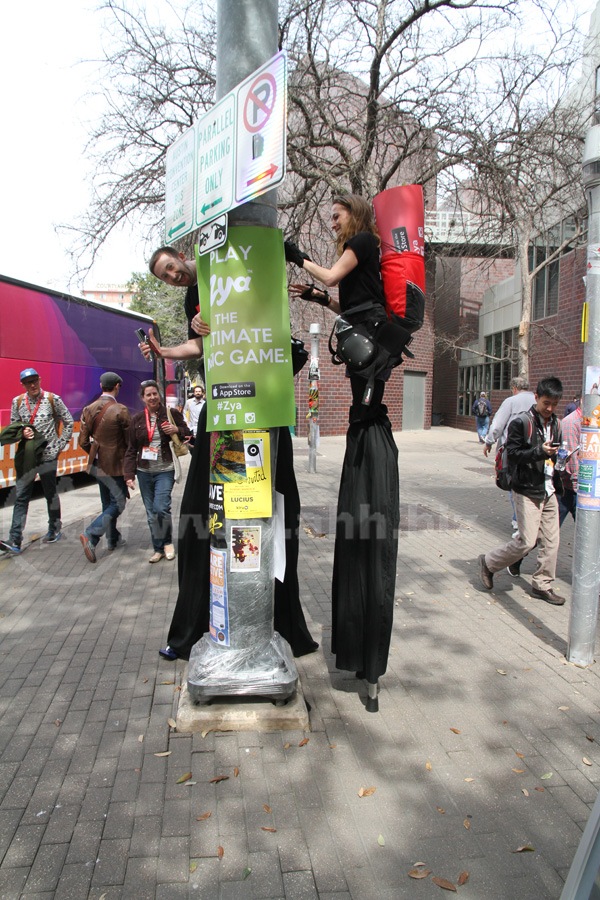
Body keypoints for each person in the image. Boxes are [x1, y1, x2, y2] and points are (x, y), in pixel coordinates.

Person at [146, 245, 318, 661]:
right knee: (201, 521)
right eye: (166, 278)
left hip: (263, 411)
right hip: (223, 413)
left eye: (172, 268)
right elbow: (200, 349)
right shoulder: (193, 298)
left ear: (183, 255)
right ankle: (197, 626)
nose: (174, 277)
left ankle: (280, 625)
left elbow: (267, 314)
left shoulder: (236, 267)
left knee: (272, 515)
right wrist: (166, 351)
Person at [285, 195, 399, 696]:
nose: (332, 221)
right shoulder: (360, 251)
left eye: (336, 214)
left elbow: (334, 278)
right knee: (363, 408)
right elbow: (342, 298)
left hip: (372, 339)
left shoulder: (364, 240)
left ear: (355, 215)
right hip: (364, 329)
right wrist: (313, 297)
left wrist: (296, 255)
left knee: (367, 408)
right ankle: (365, 422)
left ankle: (368, 425)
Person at [478, 377, 565, 605]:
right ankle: (488, 562)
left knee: (552, 542)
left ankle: (542, 584)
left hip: (548, 489)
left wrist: (561, 460)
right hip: (526, 489)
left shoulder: (556, 424)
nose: (550, 409)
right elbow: (514, 455)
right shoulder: (521, 422)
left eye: (554, 404)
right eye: (546, 403)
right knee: (527, 541)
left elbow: (555, 455)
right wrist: (539, 452)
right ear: (536, 397)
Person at [0, 368, 73, 554]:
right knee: (21, 496)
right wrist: (22, 432)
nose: (32, 385)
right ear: (22, 385)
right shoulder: (17, 402)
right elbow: (15, 427)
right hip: (28, 458)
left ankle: (54, 528)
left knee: (50, 493)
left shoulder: (52, 399)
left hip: (48, 457)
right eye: (27, 382)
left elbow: (69, 422)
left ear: (40, 380)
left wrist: (57, 447)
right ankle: (15, 540)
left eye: (34, 380)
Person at [123, 380, 192, 563]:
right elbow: (131, 449)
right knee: (151, 513)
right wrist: (129, 475)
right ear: (143, 398)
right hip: (144, 471)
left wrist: (177, 429)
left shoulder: (171, 414)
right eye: (149, 395)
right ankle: (158, 548)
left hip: (165, 469)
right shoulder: (137, 419)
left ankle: (168, 542)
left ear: (159, 395)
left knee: (161, 507)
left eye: (155, 393)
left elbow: (189, 433)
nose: (152, 397)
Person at [78, 371, 131, 563]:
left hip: (98, 464)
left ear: (101, 387)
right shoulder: (121, 410)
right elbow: (129, 443)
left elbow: (83, 441)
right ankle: (91, 534)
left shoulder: (88, 409)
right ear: (117, 386)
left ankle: (112, 539)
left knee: (107, 503)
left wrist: (97, 453)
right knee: (118, 504)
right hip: (116, 465)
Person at [483, 376, 536, 535]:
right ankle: (527, 518)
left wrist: (488, 442)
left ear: (514, 388)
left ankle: (519, 519)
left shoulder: (511, 402)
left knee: (513, 484)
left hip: (513, 451)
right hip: (535, 451)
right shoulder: (537, 400)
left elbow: (497, 425)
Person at [557, 402, 582, 526]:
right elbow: (571, 457)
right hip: (570, 486)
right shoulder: (571, 423)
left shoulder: (592, 420)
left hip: (580, 486)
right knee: (548, 533)